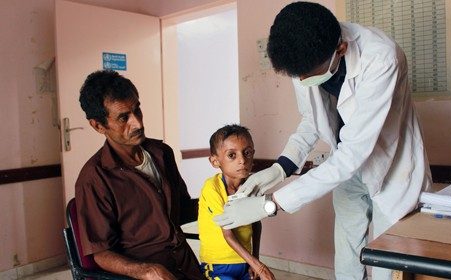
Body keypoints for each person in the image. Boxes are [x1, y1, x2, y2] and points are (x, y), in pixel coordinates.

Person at [213, 2, 432, 280]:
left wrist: (271, 204)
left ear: (340, 50)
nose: (302, 81)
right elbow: (312, 120)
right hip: (345, 171)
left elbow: (354, 153)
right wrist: (279, 169)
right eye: (297, 76)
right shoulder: (302, 58)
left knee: (384, 268)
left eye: (308, 75)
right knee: (347, 260)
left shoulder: (382, 58)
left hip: (392, 171)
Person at [75, 70, 205, 280]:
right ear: (98, 125)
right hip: (140, 274)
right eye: (123, 117)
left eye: (137, 110)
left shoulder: (162, 153)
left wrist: (224, 199)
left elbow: (183, 209)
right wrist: (146, 270)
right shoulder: (94, 178)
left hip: (185, 265)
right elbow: (100, 253)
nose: (138, 123)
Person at [198, 124, 275, 280]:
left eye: (247, 153)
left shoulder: (251, 186)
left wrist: (255, 260)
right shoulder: (212, 188)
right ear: (215, 161)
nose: (242, 160)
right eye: (232, 155)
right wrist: (259, 267)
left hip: (245, 263)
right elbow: (228, 235)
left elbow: (256, 224)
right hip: (218, 266)